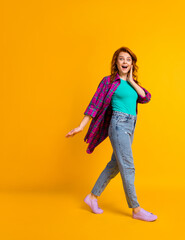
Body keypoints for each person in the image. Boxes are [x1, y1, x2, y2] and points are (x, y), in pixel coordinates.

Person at [65, 47, 157, 222]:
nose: (124, 62)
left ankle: (92, 197)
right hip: (118, 125)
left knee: (114, 165)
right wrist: (81, 126)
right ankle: (136, 209)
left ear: (132, 64)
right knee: (128, 167)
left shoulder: (132, 83)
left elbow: (146, 97)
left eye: (128, 60)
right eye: (121, 59)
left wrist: (131, 80)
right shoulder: (108, 82)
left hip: (131, 125)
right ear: (116, 62)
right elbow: (94, 104)